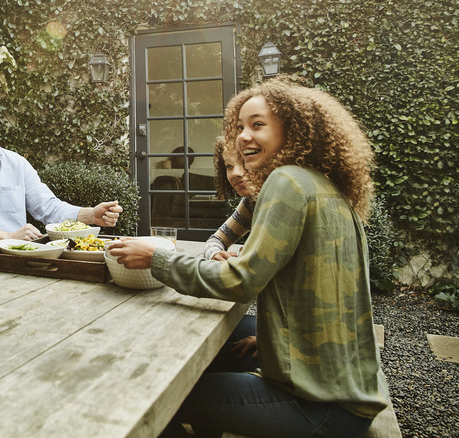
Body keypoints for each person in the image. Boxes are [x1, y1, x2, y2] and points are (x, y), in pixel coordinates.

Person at [109, 78, 386, 437]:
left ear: (294, 128)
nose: (242, 136)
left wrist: (156, 260)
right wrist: (274, 340)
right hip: (344, 382)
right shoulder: (323, 184)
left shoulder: (286, 182)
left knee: (155, 393)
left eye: (258, 125)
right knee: (226, 343)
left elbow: (240, 282)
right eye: (239, 126)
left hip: (322, 407)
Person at [0, 90, 123, 254]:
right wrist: (7, 237)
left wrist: (91, 215)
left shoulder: (17, 164)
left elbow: (48, 208)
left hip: (15, 261)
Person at [202, 137, 255, 261]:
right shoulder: (252, 202)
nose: (235, 173)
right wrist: (214, 253)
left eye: (244, 162)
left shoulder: (284, 200)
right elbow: (217, 239)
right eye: (229, 166)